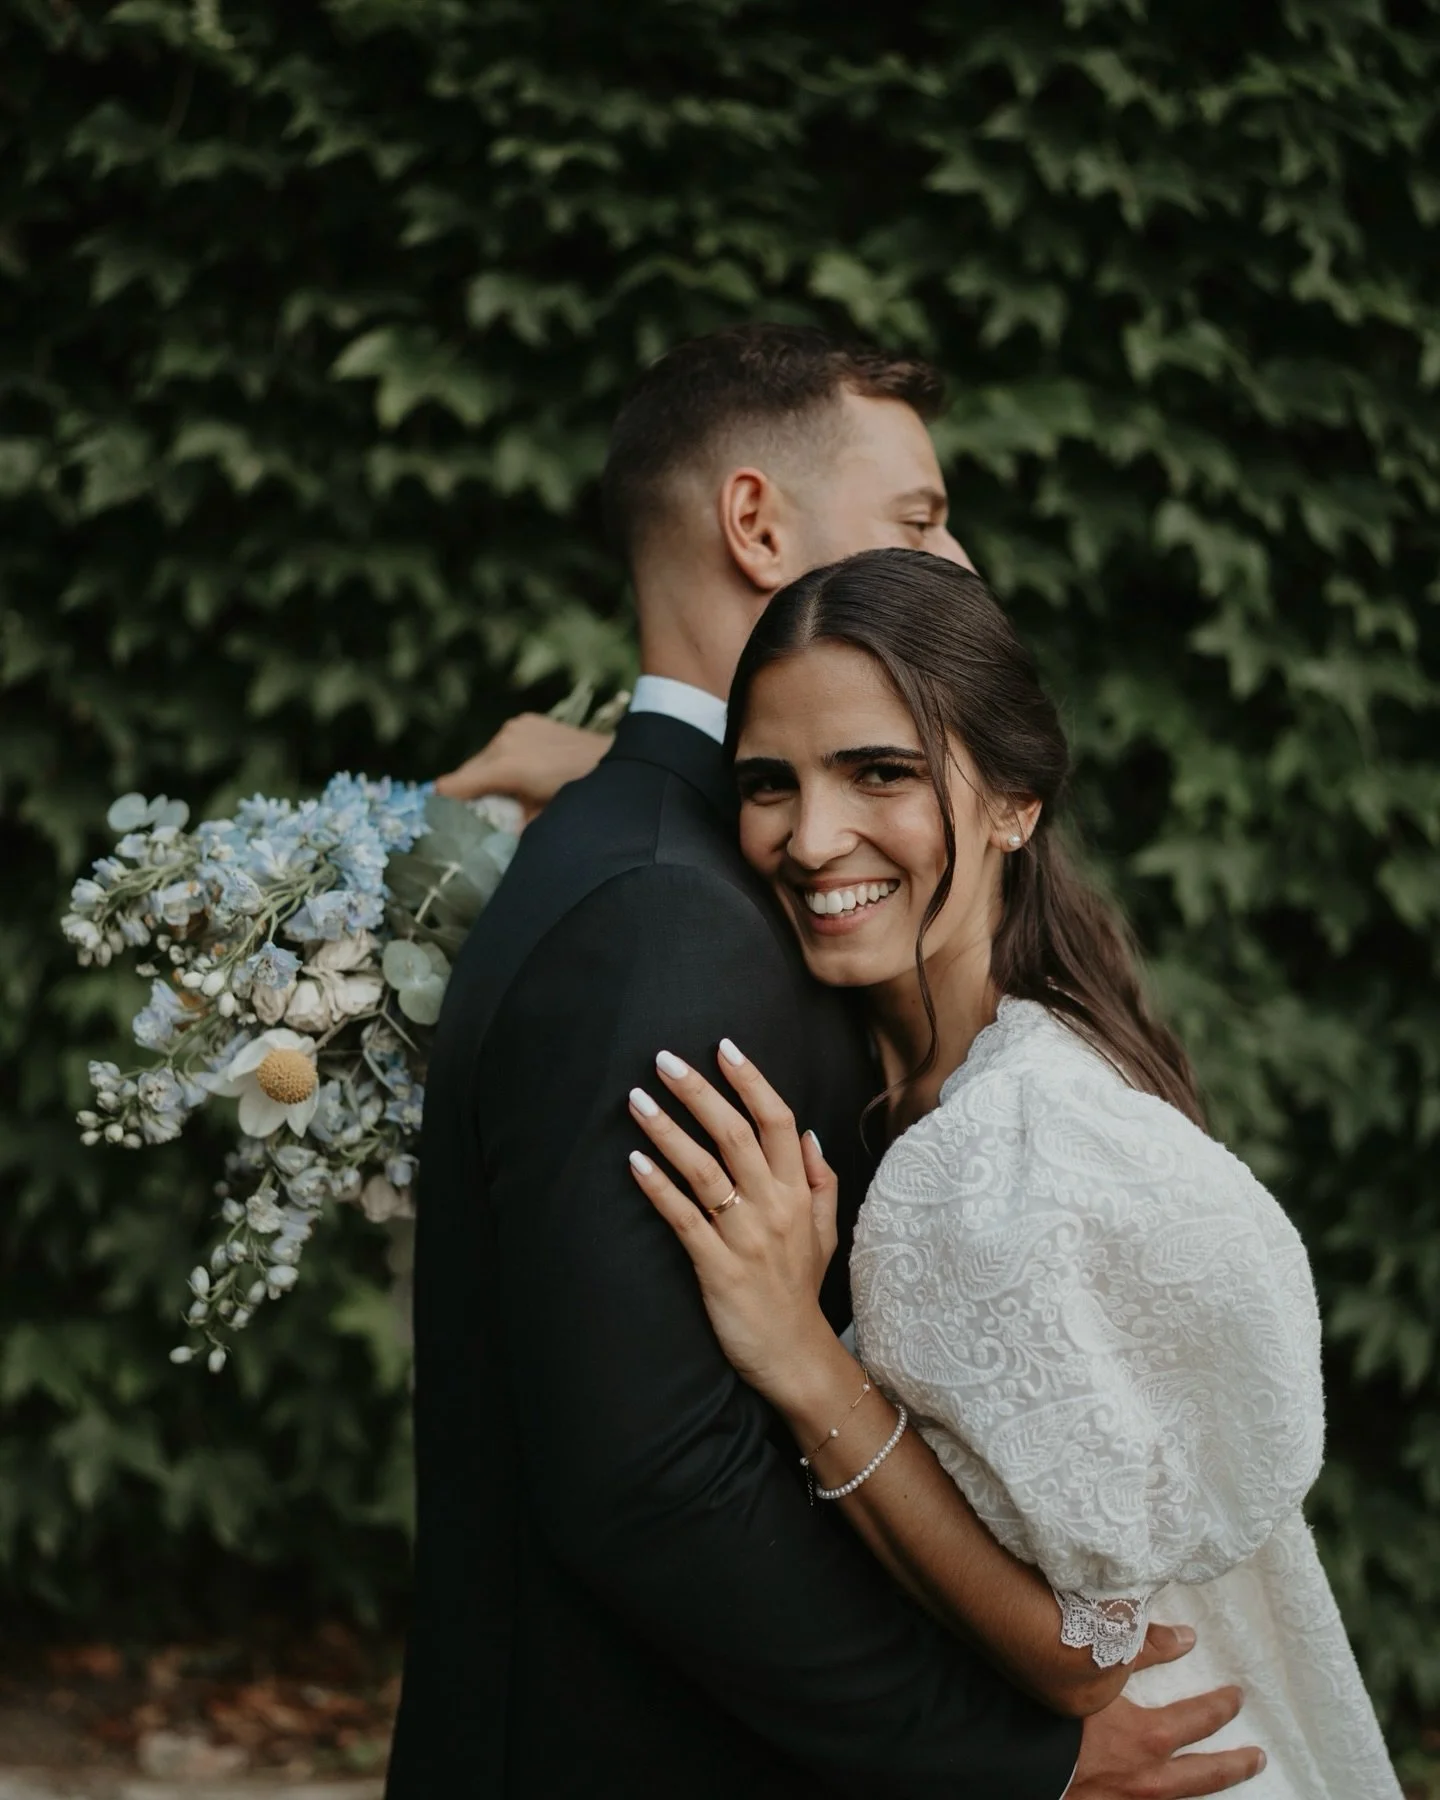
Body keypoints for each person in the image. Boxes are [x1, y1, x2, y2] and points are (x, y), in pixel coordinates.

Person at [387, 325, 1263, 1798]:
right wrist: (1005, 1760)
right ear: (755, 524)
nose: (960, 560)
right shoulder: (669, 913)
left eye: (877, 773)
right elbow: (654, 1480)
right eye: (920, 519)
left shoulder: (666, 858)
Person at [623, 546, 1402, 1800]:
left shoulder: (1007, 1145)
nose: (813, 838)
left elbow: (1083, 1659)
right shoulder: (974, 1047)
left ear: (1013, 803)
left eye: (879, 771)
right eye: (771, 782)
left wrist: (798, 1354)